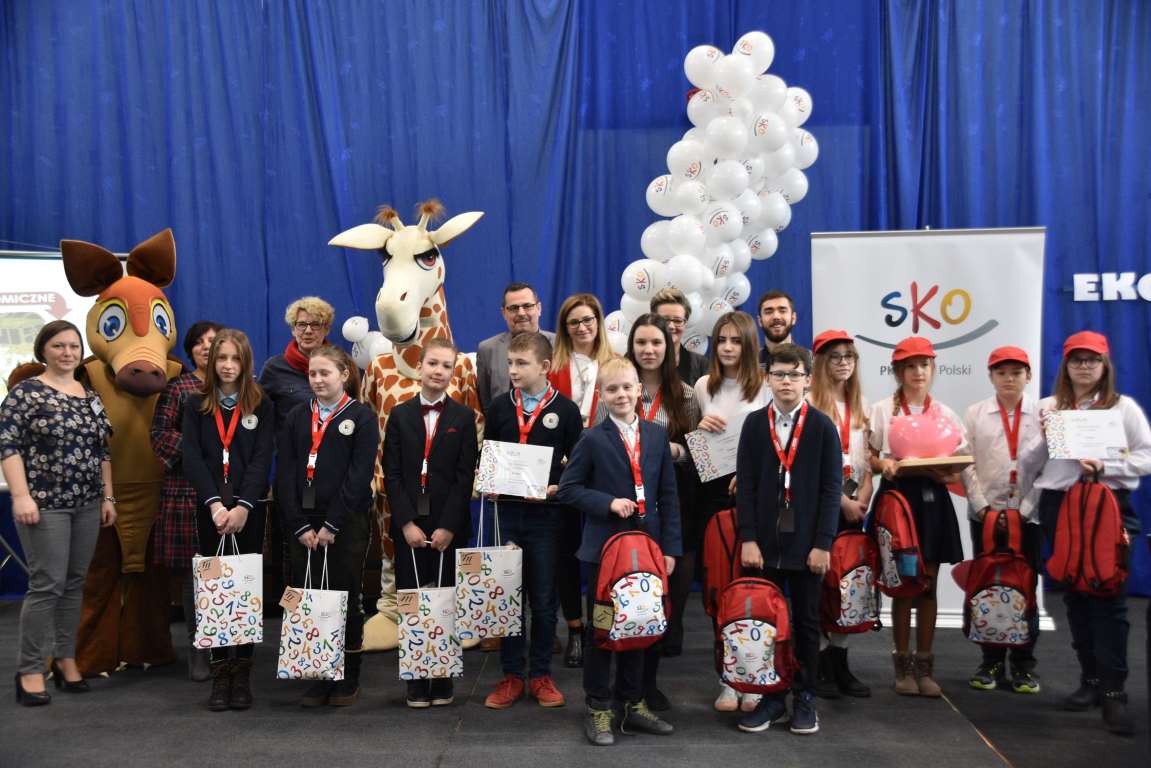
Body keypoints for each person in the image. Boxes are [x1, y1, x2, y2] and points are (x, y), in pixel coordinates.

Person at [1026, 331, 1151, 735]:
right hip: (1061, 506)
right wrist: (1044, 435)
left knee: (1109, 597)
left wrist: (1107, 466)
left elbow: (1146, 457)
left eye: (1092, 360)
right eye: (1077, 359)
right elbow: (1028, 463)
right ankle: (1090, 681)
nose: (1084, 366)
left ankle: (1114, 692)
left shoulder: (1122, 408)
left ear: (1104, 365)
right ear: (1065, 365)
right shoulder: (1049, 408)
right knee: (1075, 595)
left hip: (1108, 505)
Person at [558, 357, 681, 746]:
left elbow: (668, 495)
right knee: (602, 628)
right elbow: (569, 489)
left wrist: (670, 548)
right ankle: (598, 706)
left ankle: (632, 703)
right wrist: (608, 503)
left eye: (628, 387)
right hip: (605, 555)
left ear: (638, 391)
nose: (621, 394)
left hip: (647, 552)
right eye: (612, 389)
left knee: (640, 627)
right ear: (601, 395)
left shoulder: (657, 436)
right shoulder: (592, 439)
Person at [2, 321, 115, 706]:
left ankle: (66, 661)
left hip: (87, 503)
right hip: (44, 504)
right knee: (47, 584)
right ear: (43, 350)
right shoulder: (25, 394)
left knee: (74, 584)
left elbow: (103, 451)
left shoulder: (90, 396)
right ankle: (30, 670)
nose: (67, 352)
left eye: (73, 346)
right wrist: (21, 496)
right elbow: (8, 446)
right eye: (58, 345)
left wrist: (108, 498)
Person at [592, 314, 700, 708]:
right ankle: (605, 694)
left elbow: (700, 455)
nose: (649, 350)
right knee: (611, 605)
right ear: (631, 346)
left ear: (668, 347)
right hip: (618, 515)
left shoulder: (686, 394)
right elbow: (597, 444)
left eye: (656, 342)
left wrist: (674, 451)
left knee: (652, 602)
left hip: (668, 505)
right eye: (641, 342)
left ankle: (644, 688)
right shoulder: (615, 387)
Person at [736, 343, 841, 735]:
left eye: (794, 375)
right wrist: (748, 538)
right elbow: (746, 486)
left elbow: (831, 490)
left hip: (808, 546)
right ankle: (773, 696)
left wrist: (823, 544)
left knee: (807, 623)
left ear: (808, 380)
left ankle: (805, 695)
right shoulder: (753, 424)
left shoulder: (822, 427)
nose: (786, 382)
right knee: (767, 622)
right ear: (767, 378)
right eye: (778, 374)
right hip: (764, 546)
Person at [483, 332, 583, 709]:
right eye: (510, 362)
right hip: (508, 515)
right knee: (509, 598)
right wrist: (488, 480)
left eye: (521, 363)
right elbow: (489, 454)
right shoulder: (499, 407)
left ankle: (540, 674)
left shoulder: (566, 410)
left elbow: (578, 464)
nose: (513, 370)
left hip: (547, 517)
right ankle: (511, 675)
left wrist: (559, 487)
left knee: (543, 600)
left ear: (544, 367)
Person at [278, 345, 377, 708]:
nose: (318, 380)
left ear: (344, 375)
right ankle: (319, 671)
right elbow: (285, 471)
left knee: (344, 594)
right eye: (312, 374)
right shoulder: (296, 416)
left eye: (325, 373)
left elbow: (359, 476)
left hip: (345, 523)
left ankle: (348, 676)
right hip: (304, 525)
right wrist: (299, 523)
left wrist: (333, 523)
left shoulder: (362, 417)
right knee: (308, 594)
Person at [868, 336, 968, 698]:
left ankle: (925, 665)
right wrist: (885, 465)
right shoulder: (883, 410)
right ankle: (902, 665)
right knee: (902, 583)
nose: (918, 372)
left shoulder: (945, 414)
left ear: (932, 369)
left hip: (932, 502)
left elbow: (958, 466)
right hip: (898, 501)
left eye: (924, 365)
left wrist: (946, 473)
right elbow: (869, 456)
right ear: (898, 372)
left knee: (927, 583)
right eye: (910, 366)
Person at [182, 329, 274, 712]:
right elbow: (192, 456)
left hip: (248, 510)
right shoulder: (196, 404)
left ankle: (243, 675)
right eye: (222, 358)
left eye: (235, 359)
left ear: (246, 362)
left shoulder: (261, 404)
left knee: (245, 591)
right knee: (216, 591)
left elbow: (261, 458)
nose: (228, 365)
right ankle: (221, 673)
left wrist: (242, 507)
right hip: (212, 512)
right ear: (211, 362)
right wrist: (216, 506)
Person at [383, 338, 478, 708]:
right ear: (419, 366)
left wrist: (449, 526)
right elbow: (391, 473)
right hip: (410, 525)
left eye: (446, 366)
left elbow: (464, 476)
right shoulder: (400, 414)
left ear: (453, 372)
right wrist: (406, 522)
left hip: (447, 525)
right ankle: (416, 677)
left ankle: (442, 675)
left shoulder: (463, 417)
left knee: (445, 599)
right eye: (433, 363)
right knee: (412, 598)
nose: (439, 371)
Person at [693, 310, 771, 713]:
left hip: (755, 498)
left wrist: (751, 475)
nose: (726, 347)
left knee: (754, 587)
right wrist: (700, 430)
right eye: (721, 339)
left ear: (749, 344)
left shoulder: (766, 387)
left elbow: (777, 445)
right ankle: (727, 678)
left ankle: (753, 677)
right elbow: (698, 449)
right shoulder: (702, 386)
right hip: (714, 496)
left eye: (735, 340)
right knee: (719, 588)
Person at [959, 346, 1044, 696]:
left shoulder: (1044, 414)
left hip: (1029, 516)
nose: (1009, 379)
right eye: (1002, 373)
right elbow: (965, 461)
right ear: (991, 376)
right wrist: (980, 505)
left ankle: (1023, 663)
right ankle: (990, 659)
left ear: (1028, 376)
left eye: (1016, 373)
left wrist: (1026, 509)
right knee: (989, 583)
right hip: (986, 515)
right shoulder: (976, 413)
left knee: (1026, 584)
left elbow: (1050, 467)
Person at [150, 320, 222, 683]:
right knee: (198, 574)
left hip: (229, 494)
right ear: (191, 350)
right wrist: (199, 451)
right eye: (199, 342)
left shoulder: (236, 388)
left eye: (214, 341)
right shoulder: (179, 387)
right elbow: (159, 434)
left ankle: (227, 646)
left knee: (225, 572)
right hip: (188, 491)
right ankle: (198, 647)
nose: (207, 347)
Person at [549, 293, 616, 666]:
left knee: (603, 560)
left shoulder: (616, 364)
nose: (582, 327)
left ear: (598, 322)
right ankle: (575, 629)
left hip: (605, 475)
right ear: (564, 327)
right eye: (573, 321)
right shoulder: (553, 366)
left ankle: (600, 629)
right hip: (564, 474)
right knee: (567, 556)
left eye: (588, 319)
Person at [807, 329, 873, 698]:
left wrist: (864, 493)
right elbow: (808, 464)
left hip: (854, 507)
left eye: (849, 356)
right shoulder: (809, 405)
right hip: (821, 507)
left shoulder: (860, 406)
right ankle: (817, 662)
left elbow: (866, 462)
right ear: (820, 363)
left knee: (848, 582)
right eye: (835, 357)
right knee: (819, 584)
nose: (844, 363)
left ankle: (840, 661)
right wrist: (841, 501)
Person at [476, 283, 555, 415]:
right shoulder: (487, 349)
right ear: (504, 313)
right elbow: (486, 403)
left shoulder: (559, 345)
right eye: (513, 308)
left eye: (527, 306)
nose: (521, 313)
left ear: (539, 308)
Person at [259, 297, 335, 430]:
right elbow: (258, 412)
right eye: (301, 324)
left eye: (315, 324)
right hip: (289, 442)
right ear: (293, 330)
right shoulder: (274, 368)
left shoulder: (341, 365)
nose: (308, 331)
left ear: (327, 329)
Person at [650, 288, 709, 387]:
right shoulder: (635, 360)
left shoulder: (701, 365)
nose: (671, 326)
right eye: (664, 320)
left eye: (677, 321)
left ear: (685, 324)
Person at [755, 290, 798, 370]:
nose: (776, 316)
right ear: (760, 321)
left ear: (793, 318)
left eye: (782, 311)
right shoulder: (750, 363)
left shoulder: (810, 360)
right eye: (768, 312)